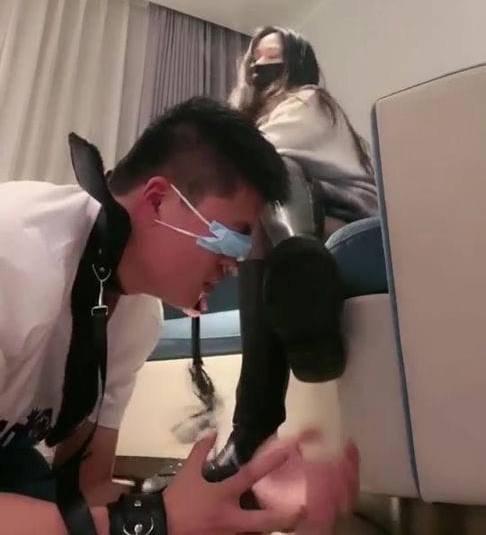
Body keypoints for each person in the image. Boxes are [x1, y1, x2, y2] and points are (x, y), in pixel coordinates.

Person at [0, 97, 356, 535]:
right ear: (157, 201)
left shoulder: (136, 320)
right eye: (233, 239)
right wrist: (150, 521)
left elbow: (87, 489)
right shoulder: (13, 256)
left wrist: (242, 495)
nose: (236, 265)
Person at [204, 27, 378, 482]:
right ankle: (300, 292)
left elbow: (254, 158)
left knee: (271, 171)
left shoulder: (309, 101)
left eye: (274, 58)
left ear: (295, 64)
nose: (262, 66)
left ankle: (252, 425)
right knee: (258, 224)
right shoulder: (258, 117)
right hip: (290, 230)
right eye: (256, 58)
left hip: (344, 218)